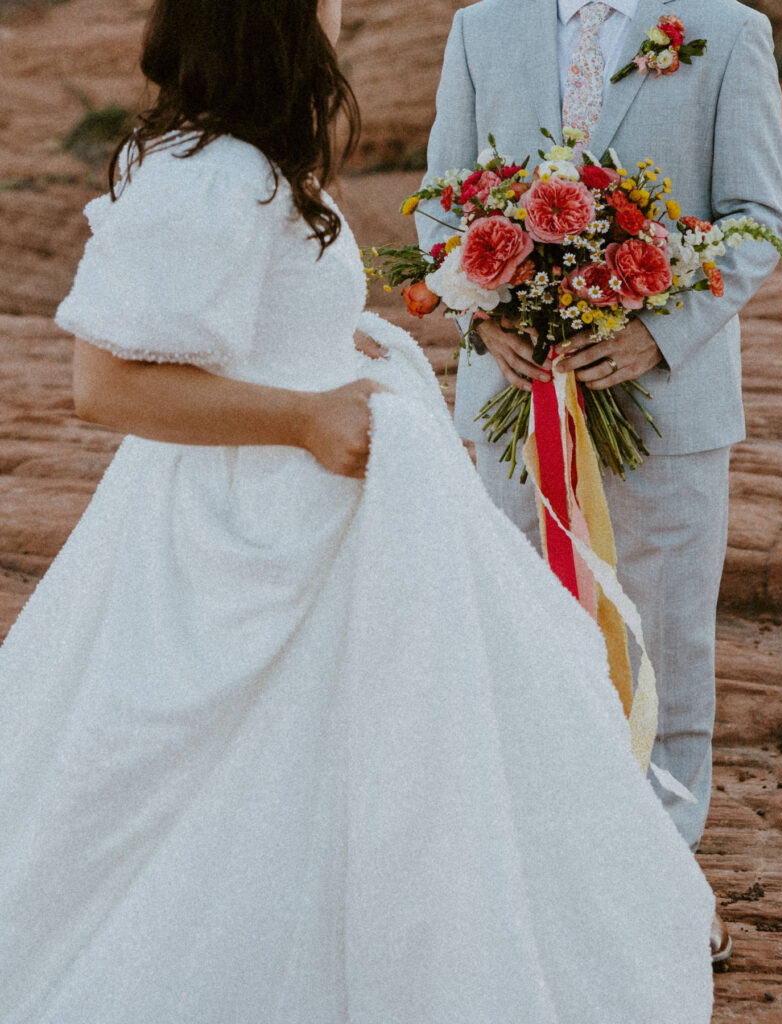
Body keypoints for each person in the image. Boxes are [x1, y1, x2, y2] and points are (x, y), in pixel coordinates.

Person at [0, 0, 717, 1020]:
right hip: (247, 527)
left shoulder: (254, 164)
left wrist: (352, 347)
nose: (340, 14)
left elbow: (261, 323)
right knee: (248, 778)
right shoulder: (205, 176)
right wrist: (301, 417)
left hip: (338, 506)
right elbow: (104, 387)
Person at [421, 0, 782, 960]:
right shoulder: (479, 28)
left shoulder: (727, 28)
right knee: (523, 639)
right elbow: (437, 202)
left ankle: (665, 877)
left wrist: (655, 332)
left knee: (663, 643)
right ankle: (541, 875)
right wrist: (477, 308)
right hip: (516, 406)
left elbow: (759, 222)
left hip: (668, 408)